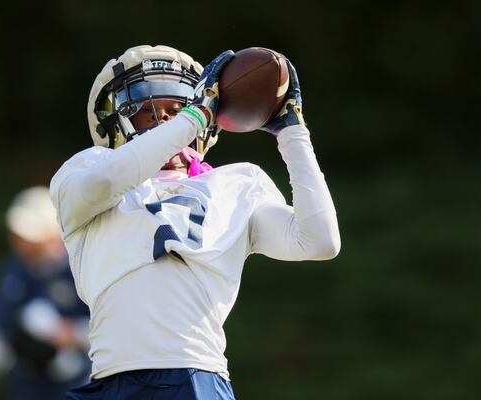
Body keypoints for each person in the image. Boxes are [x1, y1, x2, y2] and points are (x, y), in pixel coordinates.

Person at [50, 45, 341, 400]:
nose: (167, 123)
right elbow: (106, 181)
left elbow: (319, 241)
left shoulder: (237, 184)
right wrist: (194, 115)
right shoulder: (88, 168)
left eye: (176, 110)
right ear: (116, 124)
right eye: (146, 113)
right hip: (108, 381)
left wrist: (292, 133)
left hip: (195, 380)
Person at [0, 187, 91, 400]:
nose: (21, 241)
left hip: (77, 385)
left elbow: (116, 326)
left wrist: (73, 334)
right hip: (26, 387)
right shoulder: (12, 269)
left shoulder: (82, 266)